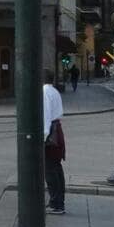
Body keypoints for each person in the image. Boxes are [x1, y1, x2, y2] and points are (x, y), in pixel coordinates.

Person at [43, 69, 66, 214]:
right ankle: (58, 201)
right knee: (56, 167)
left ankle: (56, 204)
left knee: (50, 169)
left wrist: (43, 138)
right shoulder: (54, 90)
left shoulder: (44, 92)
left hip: (51, 134)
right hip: (57, 131)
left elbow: (45, 115)